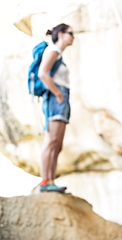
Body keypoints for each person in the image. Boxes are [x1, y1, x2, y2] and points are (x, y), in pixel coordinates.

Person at [38, 23, 74, 193]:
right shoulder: (53, 50)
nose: (73, 37)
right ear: (60, 34)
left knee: (57, 144)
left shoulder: (58, 54)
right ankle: (45, 181)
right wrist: (58, 94)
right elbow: (42, 73)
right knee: (51, 141)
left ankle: (50, 180)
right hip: (55, 98)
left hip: (61, 98)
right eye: (70, 33)